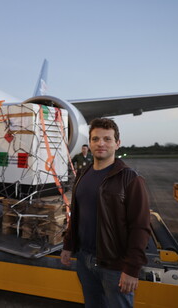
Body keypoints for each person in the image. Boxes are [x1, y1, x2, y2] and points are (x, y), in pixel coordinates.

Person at [61, 118, 150, 308]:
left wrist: (132, 269)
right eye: (95, 139)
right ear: (90, 143)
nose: (101, 143)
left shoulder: (130, 179)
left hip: (115, 266)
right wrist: (68, 245)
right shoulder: (83, 174)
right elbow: (77, 214)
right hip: (84, 259)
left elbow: (140, 227)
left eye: (107, 139)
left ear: (117, 143)